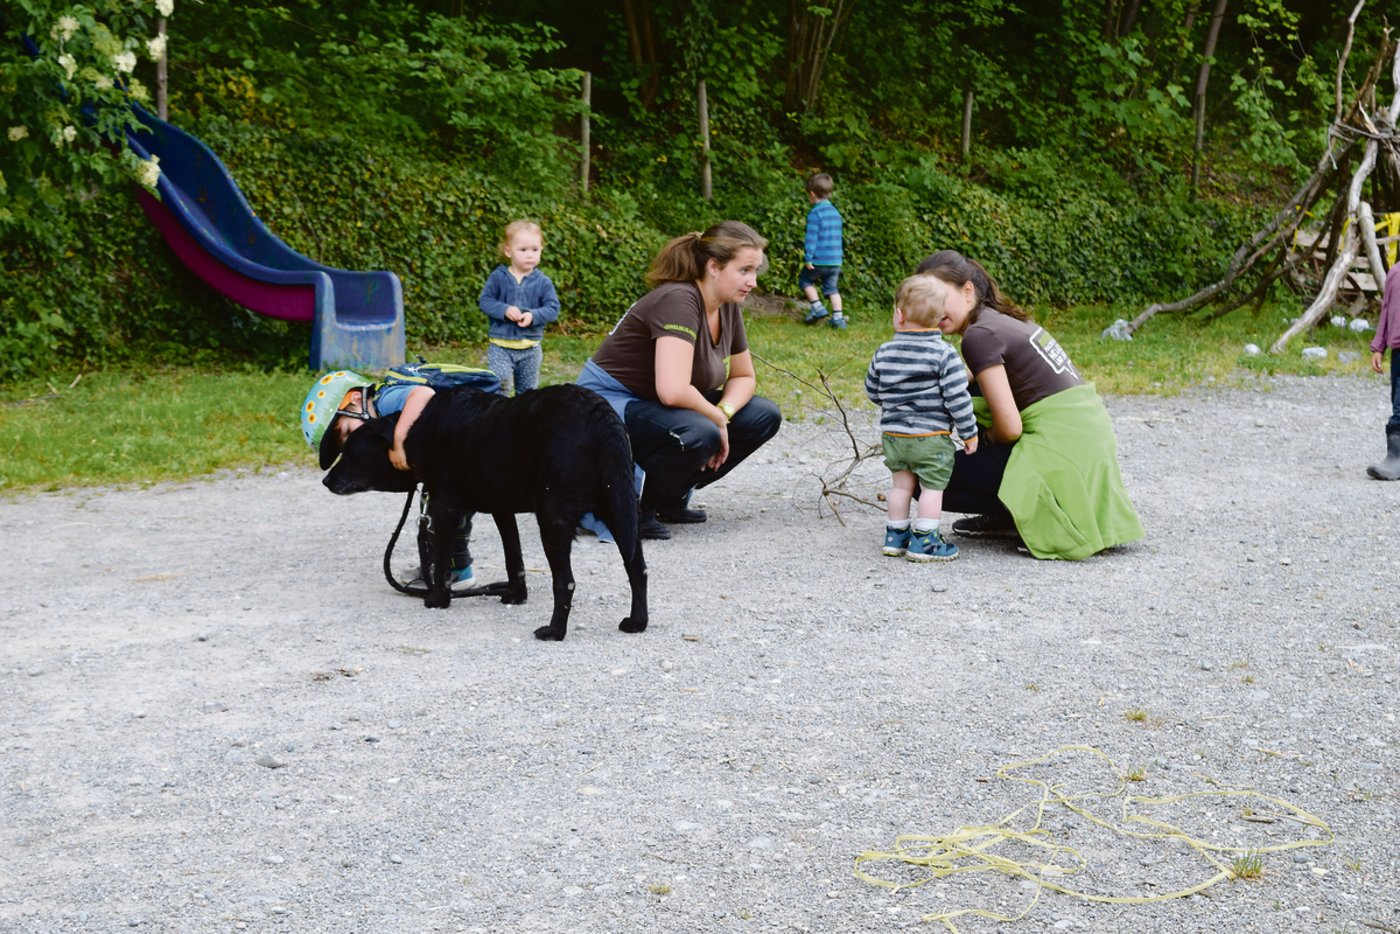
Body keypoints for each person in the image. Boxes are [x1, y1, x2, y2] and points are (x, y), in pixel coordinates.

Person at [915, 250, 1143, 560]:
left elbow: (1010, 428)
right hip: (1083, 443)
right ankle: (1015, 512)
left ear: (967, 291)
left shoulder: (978, 336)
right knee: (972, 392)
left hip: (1056, 448)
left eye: (939, 296)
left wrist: (984, 440)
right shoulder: (1006, 321)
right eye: (925, 299)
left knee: (922, 479)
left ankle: (1020, 514)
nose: (932, 308)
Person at [577, 220, 783, 540]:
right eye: (744, 270)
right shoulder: (679, 299)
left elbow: (743, 376)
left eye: (755, 271)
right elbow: (672, 390)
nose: (753, 281)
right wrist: (715, 418)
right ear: (713, 266)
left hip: (651, 404)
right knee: (699, 431)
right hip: (602, 406)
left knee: (762, 415)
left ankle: (670, 495)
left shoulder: (727, 306)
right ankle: (632, 508)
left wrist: (724, 413)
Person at [301, 369, 476, 591]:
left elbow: (422, 394)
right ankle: (437, 565)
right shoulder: (382, 418)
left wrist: (398, 442)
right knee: (437, 502)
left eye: (348, 431)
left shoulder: (385, 400)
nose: (353, 440)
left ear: (356, 399)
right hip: (460, 447)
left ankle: (457, 571)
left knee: (447, 504)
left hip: (472, 441)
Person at [865, 275, 979, 562]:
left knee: (901, 487)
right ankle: (926, 542)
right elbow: (957, 398)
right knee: (932, 488)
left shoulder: (884, 352)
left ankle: (895, 537)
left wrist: (893, 405)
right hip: (930, 438)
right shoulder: (945, 354)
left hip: (894, 437)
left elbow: (872, 390)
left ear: (899, 315)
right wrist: (969, 432)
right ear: (940, 318)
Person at [478, 220, 560, 395]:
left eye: (535, 250)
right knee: (499, 386)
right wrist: (504, 310)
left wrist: (533, 315)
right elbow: (485, 301)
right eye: (523, 250)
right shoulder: (498, 277)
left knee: (528, 394)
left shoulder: (543, 282)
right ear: (508, 251)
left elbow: (553, 308)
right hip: (501, 347)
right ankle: (499, 412)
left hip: (530, 348)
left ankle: (522, 414)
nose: (530, 255)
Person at [799, 172, 847, 329]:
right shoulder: (835, 213)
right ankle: (838, 318)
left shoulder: (815, 213)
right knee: (832, 289)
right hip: (835, 260)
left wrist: (808, 258)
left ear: (812, 194)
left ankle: (818, 308)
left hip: (819, 260)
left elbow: (811, 238)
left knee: (805, 280)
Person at [1366, 262, 1400, 480]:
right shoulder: (1395, 273)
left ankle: (1395, 460)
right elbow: (1386, 310)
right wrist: (1378, 347)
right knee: (1396, 398)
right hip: (1398, 351)